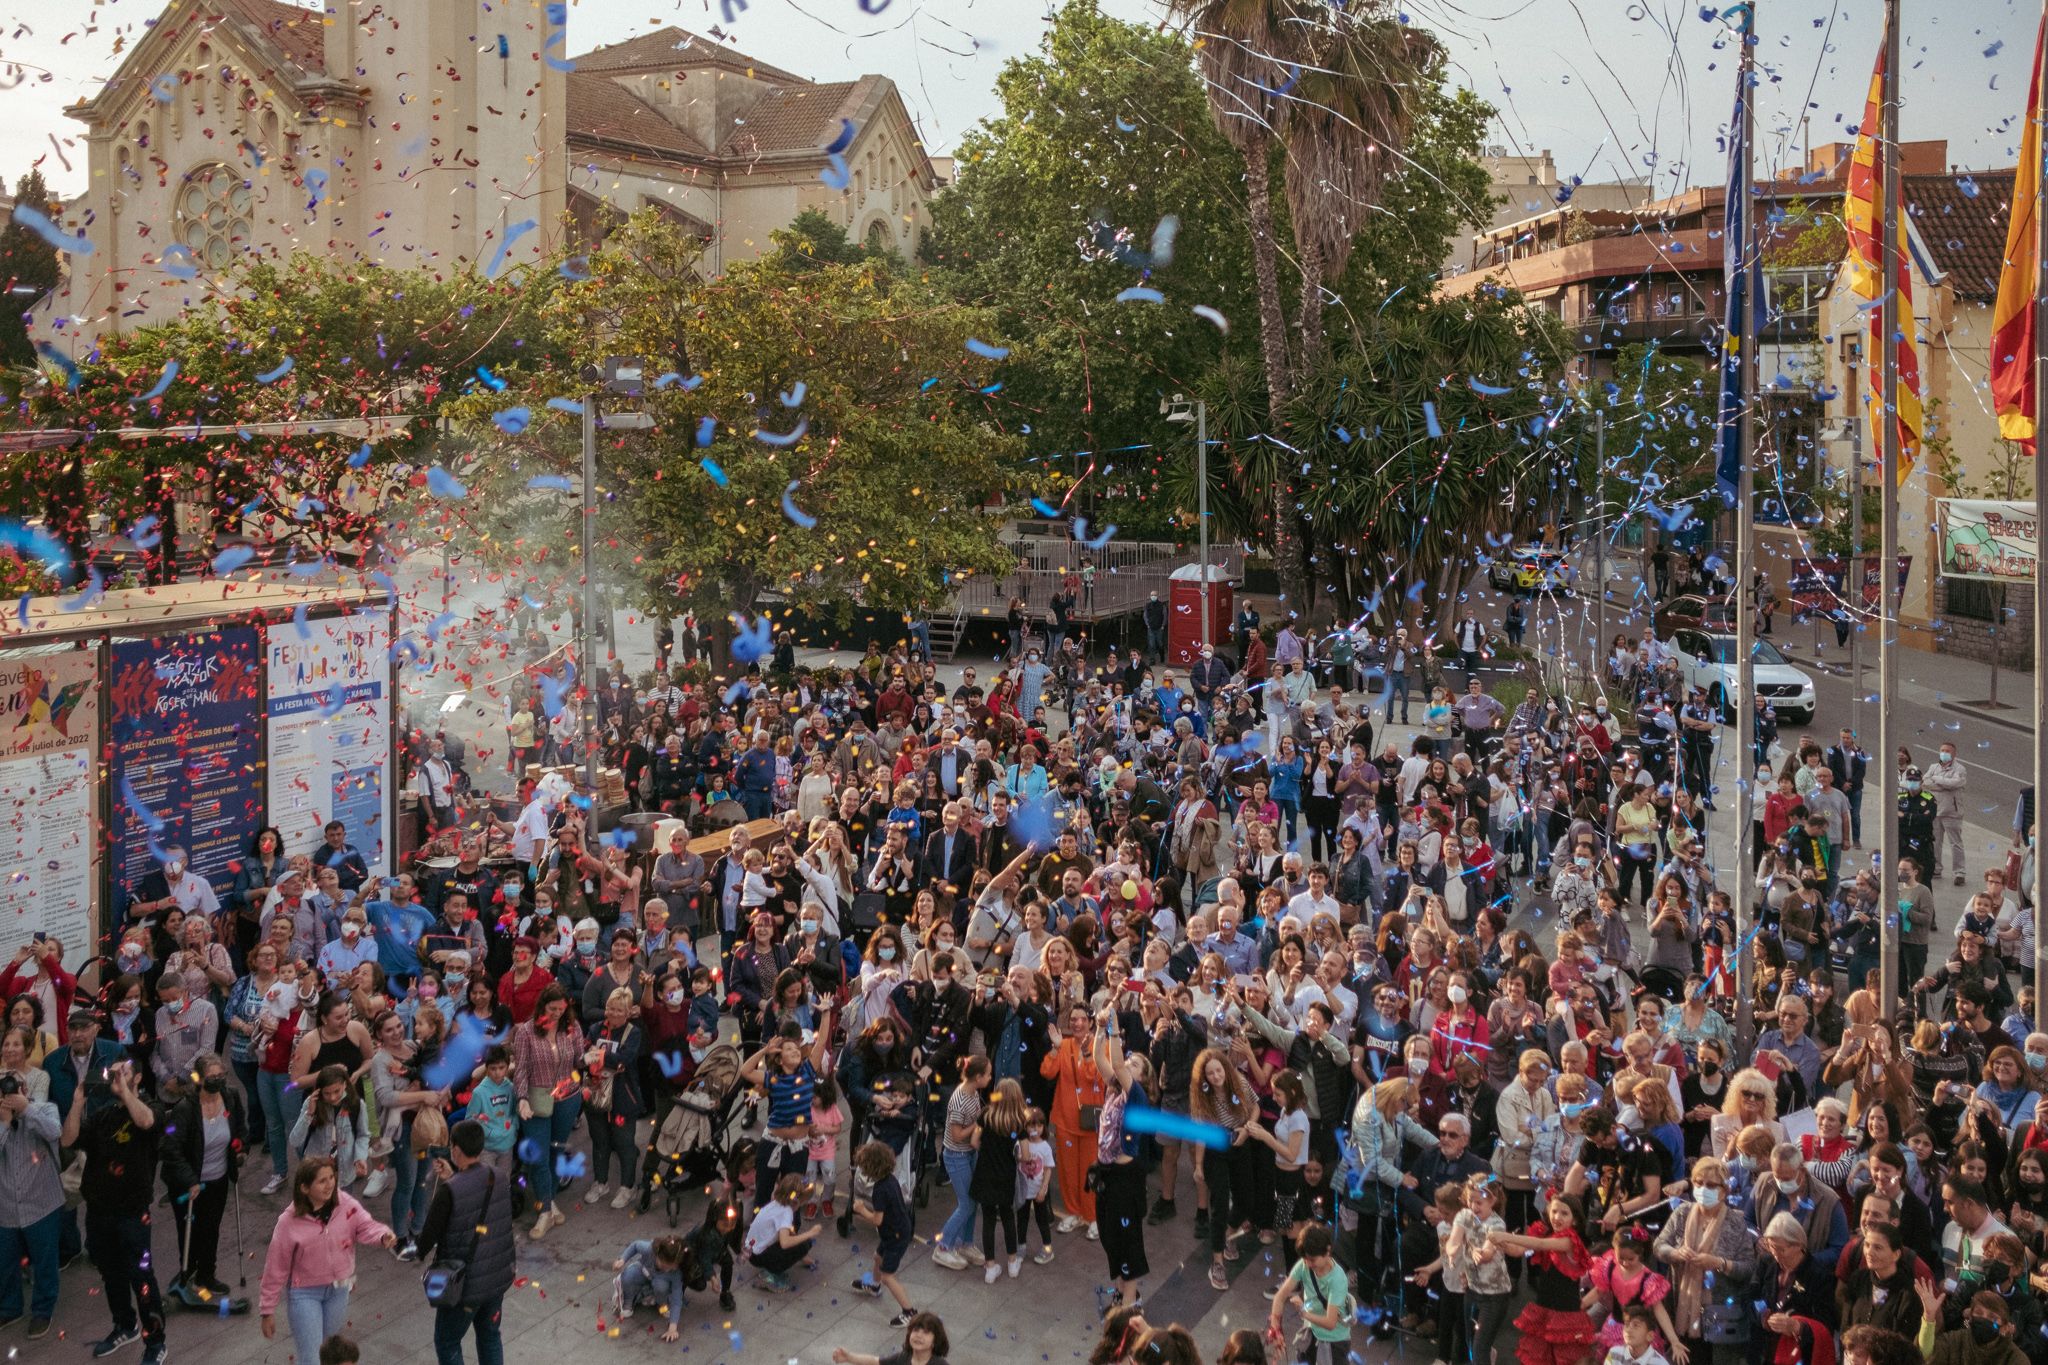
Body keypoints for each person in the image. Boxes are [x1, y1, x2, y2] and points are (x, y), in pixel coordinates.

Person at [64, 1058, 165, 1363]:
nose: (116, 1076)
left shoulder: (149, 1106)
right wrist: (77, 1103)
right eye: (114, 1072)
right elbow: (68, 1139)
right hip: (99, 1212)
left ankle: (156, 1340)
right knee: (111, 1274)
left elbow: (146, 1122)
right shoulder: (103, 1115)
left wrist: (125, 1093)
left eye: (124, 1072)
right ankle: (125, 1324)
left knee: (141, 1277)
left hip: (133, 1213)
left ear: (137, 1078)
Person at [259, 1157, 397, 1365]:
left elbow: (366, 1226)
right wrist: (267, 1310)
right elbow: (276, 1266)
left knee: (329, 1355)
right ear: (305, 1188)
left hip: (339, 1290)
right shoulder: (288, 1222)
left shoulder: (346, 1204)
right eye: (322, 1181)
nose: (330, 1184)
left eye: (331, 1177)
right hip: (304, 1294)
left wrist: (382, 1235)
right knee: (312, 1358)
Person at [415, 1119, 518, 1365]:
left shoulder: (448, 1192)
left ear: (456, 1149)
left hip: (464, 1286)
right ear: (480, 1148)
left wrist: (404, 1248)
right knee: (490, 1336)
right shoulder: (499, 1176)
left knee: (447, 1341)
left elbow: (426, 1240)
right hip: (496, 1277)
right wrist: (455, 1176)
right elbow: (478, 1198)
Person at [160, 1052, 250, 1310]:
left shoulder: (230, 1097)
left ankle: (207, 1275)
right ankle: (187, 1274)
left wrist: (241, 1148)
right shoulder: (185, 1109)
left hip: (218, 1176)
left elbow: (241, 1130)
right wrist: (189, 1180)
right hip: (189, 1183)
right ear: (199, 1079)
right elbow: (171, 1148)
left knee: (211, 1227)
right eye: (212, 1077)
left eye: (221, 1076)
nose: (218, 1081)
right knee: (189, 1229)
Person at [0, 1030, 62, 1340]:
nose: (11, 1091)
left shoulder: (43, 1108)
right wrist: (3, 1120)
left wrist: (26, 1109)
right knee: (6, 1262)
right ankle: (10, 1308)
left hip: (42, 1201)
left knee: (44, 1261)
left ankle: (42, 1310)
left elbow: (54, 1132)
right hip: (6, 1205)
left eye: (17, 1086)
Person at [1267, 1222, 1354, 1365]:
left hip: (1334, 1342)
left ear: (1327, 1251)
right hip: (1314, 1334)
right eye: (1305, 1259)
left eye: (1312, 1260)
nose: (1307, 1264)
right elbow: (1280, 1297)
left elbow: (1330, 1323)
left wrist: (1304, 1312)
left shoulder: (1337, 1280)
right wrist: (1275, 1328)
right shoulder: (1304, 1264)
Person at [744, 1171, 822, 1292]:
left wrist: (803, 1257)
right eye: (802, 1202)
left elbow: (787, 1232)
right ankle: (770, 1276)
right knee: (804, 1244)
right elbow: (785, 1242)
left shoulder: (776, 1203)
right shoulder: (786, 1212)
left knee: (800, 1242)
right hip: (758, 1256)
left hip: (751, 1251)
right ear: (796, 1201)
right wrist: (810, 1233)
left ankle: (771, 1268)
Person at [611, 1235, 690, 1341]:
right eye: (663, 1266)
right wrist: (622, 1259)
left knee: (661, 1287)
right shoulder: (649, 1249)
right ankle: (628, 1301)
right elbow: (635, 1245)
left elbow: (677, 1299)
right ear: (657, 1254)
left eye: (670, 1268)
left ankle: (662, 1304)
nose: (666, 1270)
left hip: (661, 1283)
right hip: (644, 1271)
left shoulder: (676, 1274)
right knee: (628, 1276)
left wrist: (672, 1328)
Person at [830, 1311, 951, 1365]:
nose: (919, 1335)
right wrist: (850, 1357)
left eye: (926, 1332)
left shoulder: (939, 1364)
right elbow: (875, 1361)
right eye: (915, 1330)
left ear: (935, 1340)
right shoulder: (903, 1358)